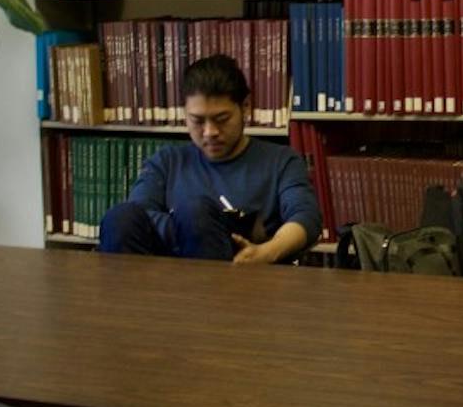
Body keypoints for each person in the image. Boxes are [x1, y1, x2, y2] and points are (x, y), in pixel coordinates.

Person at [98, 54, 319, 263]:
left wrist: (266, 252)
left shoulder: (281, 161)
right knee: (120, 218)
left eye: (222, 119)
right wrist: (203, 228)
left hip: (244, 274)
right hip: (163, 276)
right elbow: (139, 216)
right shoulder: (166, 162)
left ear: (245, 108)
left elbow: (305, 217)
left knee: (195, 212)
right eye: (197, 121)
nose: (210, 132)